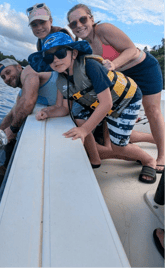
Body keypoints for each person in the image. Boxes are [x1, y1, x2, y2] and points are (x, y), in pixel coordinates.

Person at [28, 32, 157, 183]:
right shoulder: (61, 80)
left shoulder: (91, 66)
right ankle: (95, 159)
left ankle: (149, 161)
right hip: (100, 103)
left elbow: (107, 104)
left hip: (125, 100)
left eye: (61, 53)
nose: (55, 59)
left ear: (74, 53)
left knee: (118, 147)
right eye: (49, 57)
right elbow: (62, 108)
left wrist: (84, 130)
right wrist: (48, 112)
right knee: (79, 116)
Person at [66, 4, 165, 173]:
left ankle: (162, 155)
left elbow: (131, 49)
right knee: (113, 114)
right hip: (123, 79)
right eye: (73, 24)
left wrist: (115, 64)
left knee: (152, 110)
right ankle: (142, 141)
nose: (79, 25)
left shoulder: (103, 29)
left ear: (91, 18)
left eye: (82, 19)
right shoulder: (84, 45)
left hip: (143, 69)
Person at [0, 58, 58, 143]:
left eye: (8, 72)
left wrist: (12, 129)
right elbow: (11, 116)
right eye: (3, 77)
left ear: (18, 67)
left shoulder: (28, 70)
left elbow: (28, 103)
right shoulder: (21, 94)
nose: (7, 78)